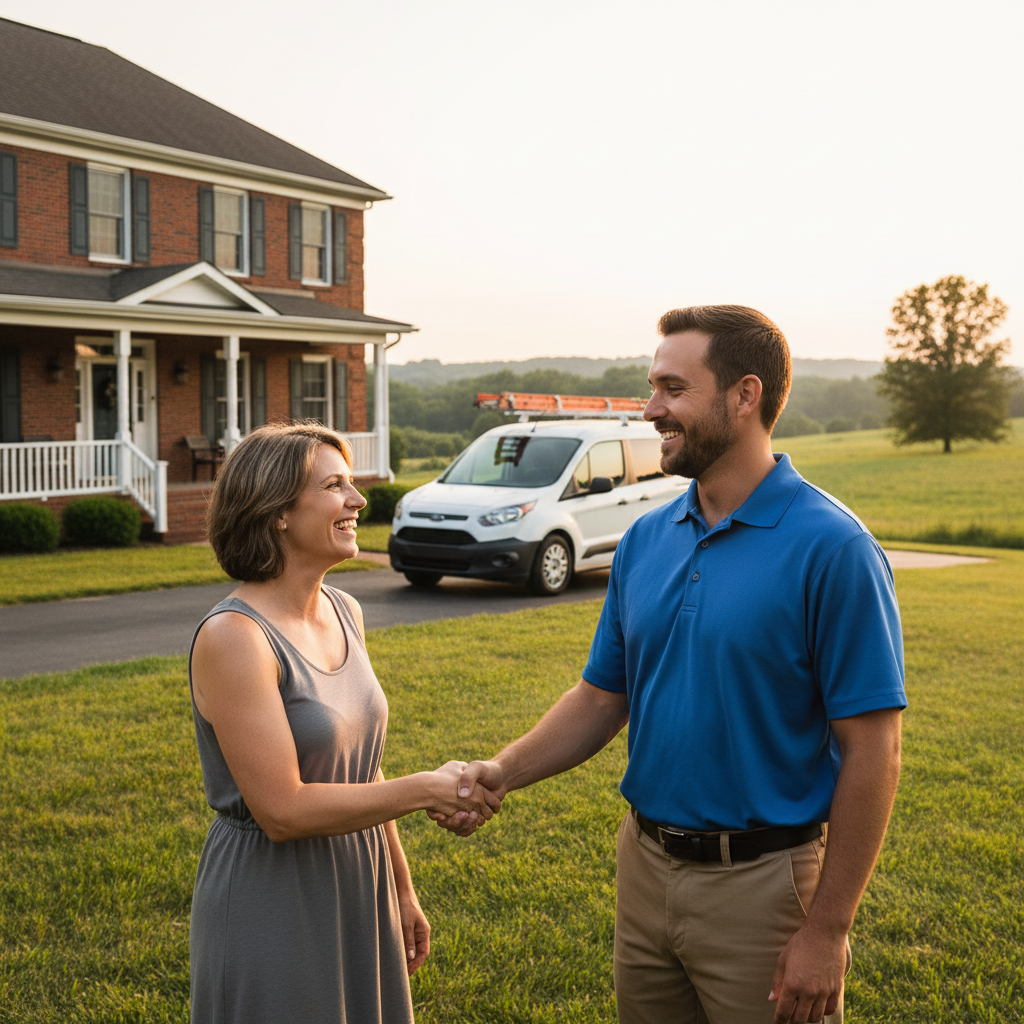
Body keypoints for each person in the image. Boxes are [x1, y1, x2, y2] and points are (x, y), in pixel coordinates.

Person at [434, 306, 905, 1024]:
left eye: (672, 389)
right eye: (652, 387)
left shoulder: (834, 549)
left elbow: (874, 750)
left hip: (765, 886)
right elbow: (600, 698)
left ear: (745, 397)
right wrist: (504, 771)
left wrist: (828, 927)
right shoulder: (646, 537)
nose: (651, 409)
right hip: (644, 869)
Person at [187, 422, 499, 1024]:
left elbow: (363, 767)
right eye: (335, 486)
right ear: (277, 511)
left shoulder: (344, 609)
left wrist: (400, 889)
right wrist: (427, 788)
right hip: (272, 894)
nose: (358, 500)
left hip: (363, 878)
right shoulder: (235, 638)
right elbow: (281, 811)